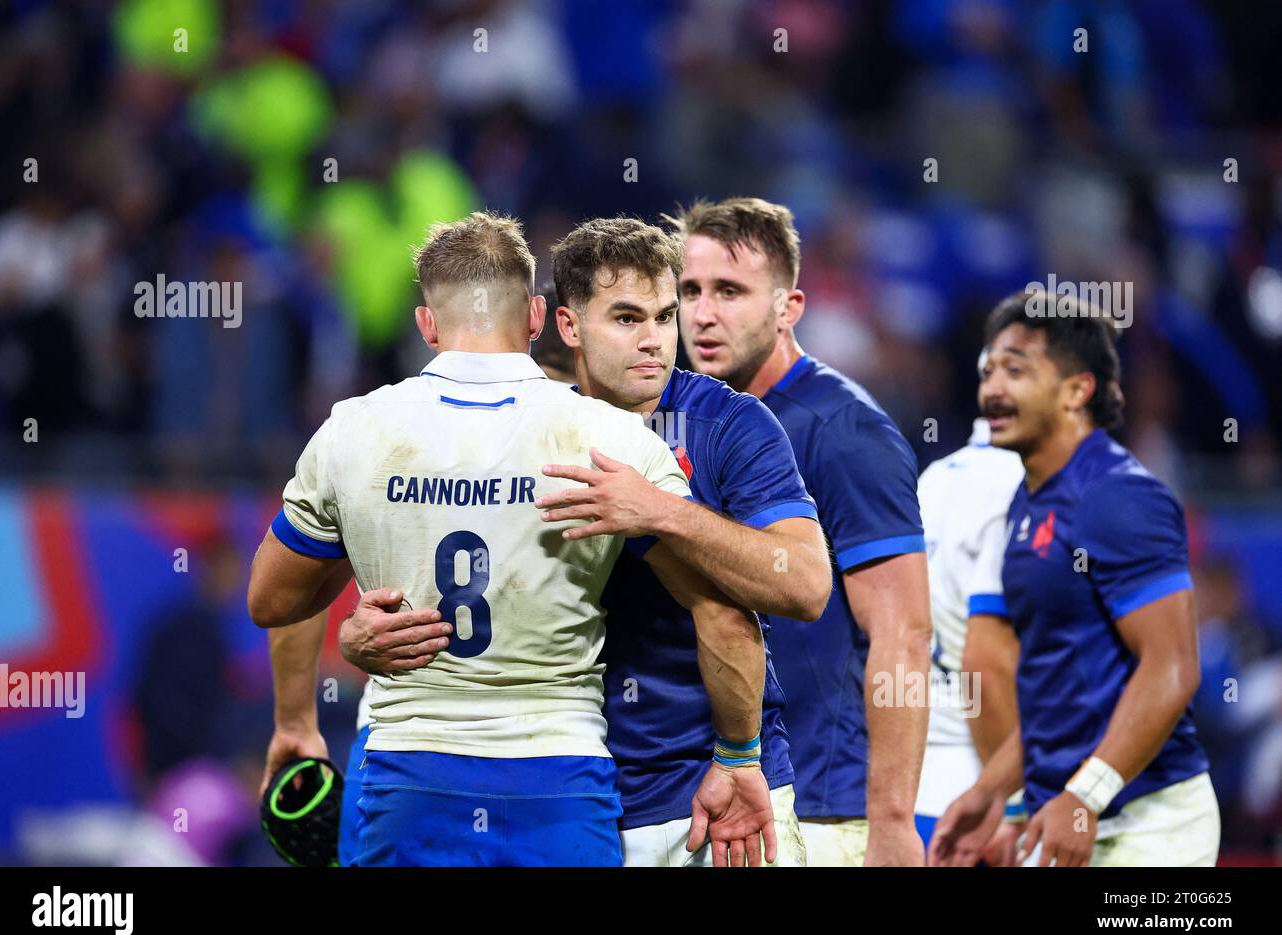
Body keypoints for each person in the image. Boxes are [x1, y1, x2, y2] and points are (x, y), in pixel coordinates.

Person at [336, 218, 832, 866]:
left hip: (719, 793)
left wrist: (663, 511)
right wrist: (354, 641)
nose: (655, 341)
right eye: (628, 319)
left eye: (664, 316)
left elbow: (804, 584)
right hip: (575, 793)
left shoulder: (730, 424)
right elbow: (451, 603)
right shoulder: (524, 439)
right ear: (568, 327)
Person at [248, 211, 694, 866]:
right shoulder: (615, 440)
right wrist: (739, 754)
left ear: (427, 325)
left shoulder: (353, 432)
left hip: (408, 767)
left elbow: (273, 600)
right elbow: (709, 608)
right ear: (538, 318)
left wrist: (296, 722)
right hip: (559, 772)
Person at [670, 197, 933, 866]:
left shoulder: (844, 432)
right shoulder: (680, 416)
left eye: (730, 292)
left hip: (825, 807)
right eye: (691, 291)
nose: (703, 314)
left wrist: (893, 821)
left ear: (788, 308)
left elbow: (902, 633)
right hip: (719, 791)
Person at [929, 291, 1220, 867]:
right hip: (1067, 818)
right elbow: (1056, 700)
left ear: (1077, 390)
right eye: (989, 370)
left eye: (1017, 371)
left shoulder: (1118, 495)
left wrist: (1083, 797)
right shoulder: (1023, 504)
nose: (992, 389)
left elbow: (1174, 666)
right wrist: (994, 795)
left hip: (1151, 826)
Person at [913, 414, 1024, 860]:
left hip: (921, 777)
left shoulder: (933, 477)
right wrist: (1011, 799)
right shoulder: (1024, 485)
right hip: (993, 788)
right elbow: (988, 666)